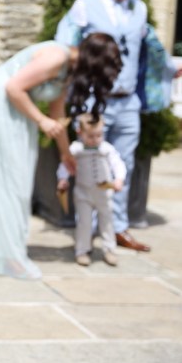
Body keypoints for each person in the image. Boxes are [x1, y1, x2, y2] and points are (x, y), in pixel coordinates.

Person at [0, 33, 121, 279]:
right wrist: (41, 121)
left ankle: (0, 249)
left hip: (13, 112)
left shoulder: (68, 69)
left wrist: (66, 154)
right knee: (9, 181)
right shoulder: (56, 56)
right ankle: (8, 255)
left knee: (14, 181)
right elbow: (13, 87)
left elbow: (57, 113)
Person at [55, 0, 173, 252]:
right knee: (90, 162)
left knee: (124, 166)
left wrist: (169, 69)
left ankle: (117, 227)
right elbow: (64, 45)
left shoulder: (140, 8)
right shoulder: (85, 6)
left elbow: (151, 47)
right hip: (94, 99)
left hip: (128, 100)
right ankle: (89, 227)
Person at [56, 113, 125, 267]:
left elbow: (117, 163)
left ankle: (109, 249)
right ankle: (82, 250)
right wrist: (62, 179)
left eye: (99, 135)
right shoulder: (76, 149)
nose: (95, 139)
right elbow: (65, 165)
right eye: (91, 136)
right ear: (80, 132)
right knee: (84, 222)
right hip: (83, 193)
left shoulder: (106, 148)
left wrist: (119, 179)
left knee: (107, 221)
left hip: (104, 193)